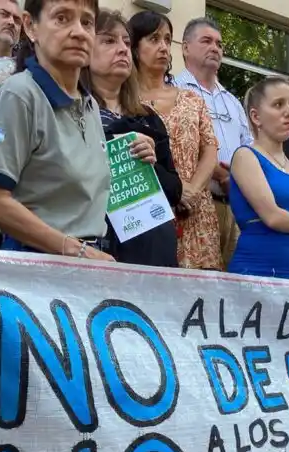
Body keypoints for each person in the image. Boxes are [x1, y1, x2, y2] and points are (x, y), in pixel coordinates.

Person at [0, 0, 129, 261]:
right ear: (30, 26)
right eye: (62, 18)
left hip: (89, 264)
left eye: (87, 22)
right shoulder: (19, 94)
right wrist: (74, 249)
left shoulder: (89, 104)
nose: (79, 32)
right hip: (37, 268)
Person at [84, 9, 180, 268]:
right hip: (94, 247)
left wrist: (151, 166)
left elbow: (174, 190)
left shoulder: (147, 117)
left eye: (126, 42)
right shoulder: (73, 108)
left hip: (148, 252)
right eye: (108, 40)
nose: (122, 49)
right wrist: (112, 142)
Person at [130, 10, 221, 270]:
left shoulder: (192, 98)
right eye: (153, 39)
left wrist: (190, 190)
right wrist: (176, 189)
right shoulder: (127, 102)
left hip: (196, 210)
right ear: (135, 47)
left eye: (167, 40)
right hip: (151, 209)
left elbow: (210, 148)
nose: (163, 47)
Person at [228, 77, 289, 281]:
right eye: (278, 104)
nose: (288, 112)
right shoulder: (245, 156)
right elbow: (272, 216)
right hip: (253, 273)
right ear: (256, 116)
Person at [175, 17, 251, 268]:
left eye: (219, 44)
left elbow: (248, 150)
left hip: (235, 207)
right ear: (185, 47)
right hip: (193, 206)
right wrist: (218, 174)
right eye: (206, 41)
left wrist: (237, 180)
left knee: (232, 287)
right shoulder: (173, 90)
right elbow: (176, 146)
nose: (215, 48)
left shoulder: (233, 102)